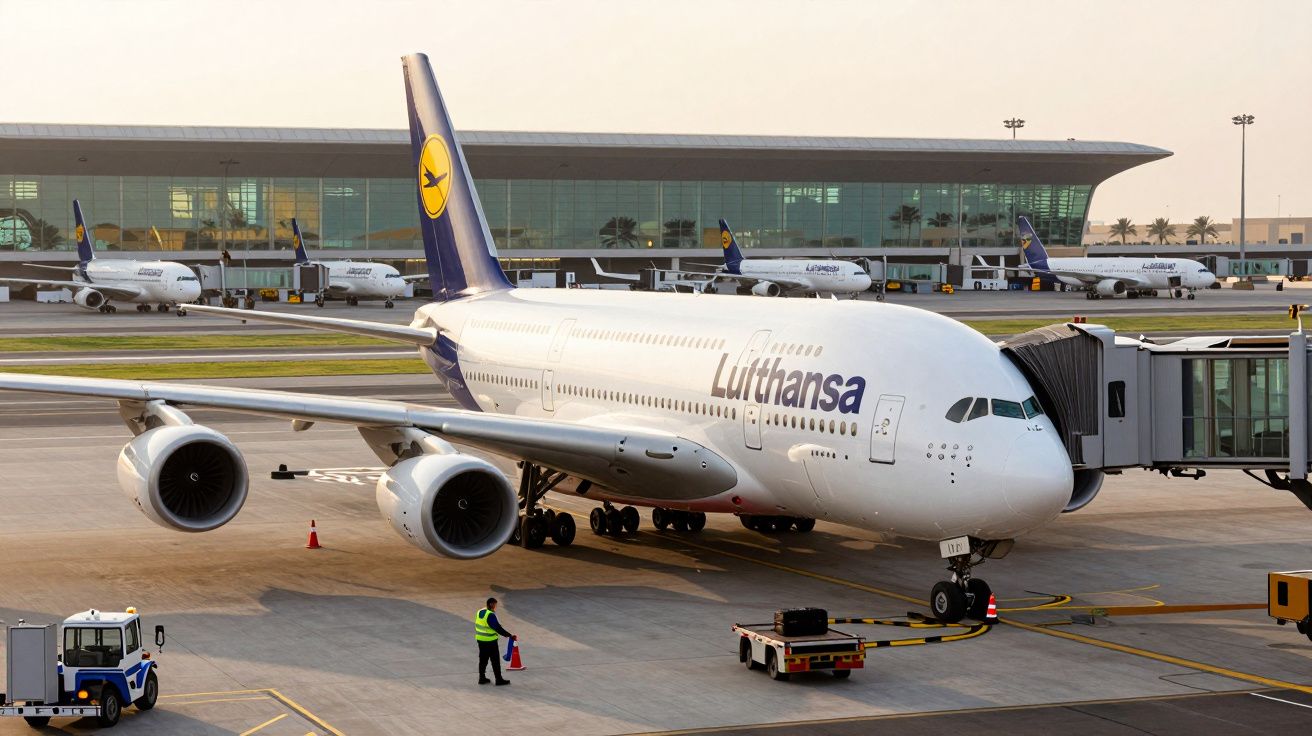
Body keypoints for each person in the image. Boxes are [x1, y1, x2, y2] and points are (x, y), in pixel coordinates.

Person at [475, 597, 515, 686]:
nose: (495, 606)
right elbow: (497, 628)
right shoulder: (490, 615)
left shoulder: (480, 612)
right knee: (495, 660)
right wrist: (509, 635)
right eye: (495, 604)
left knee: (483, 659)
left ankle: (482, 678)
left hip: (480, 640)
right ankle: (499, 679)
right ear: (491, 604)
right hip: (490, 641)